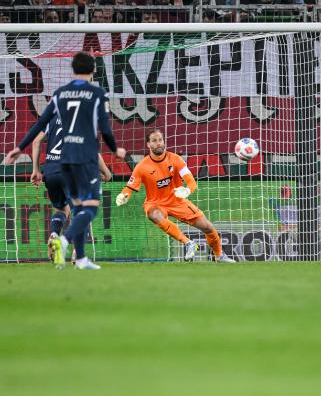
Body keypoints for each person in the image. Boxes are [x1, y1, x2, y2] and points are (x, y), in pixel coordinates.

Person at [5, 52, 126, 270]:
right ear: (94, 70)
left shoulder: (60, 94)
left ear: (72, 69)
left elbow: (40, 123)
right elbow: (105, 130)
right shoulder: (96, 93)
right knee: (89, 209)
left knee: (75, 208)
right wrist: (116, 149)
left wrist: (18, 147)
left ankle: (80, 259)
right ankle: (64, 240)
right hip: (83, 161)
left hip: (61, 163)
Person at [115, 129, 235, 263]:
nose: (158, 143)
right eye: (154, 141)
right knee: (153, 214)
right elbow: (130, 187)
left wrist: (187, 190)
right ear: (148, 145)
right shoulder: (142, 166)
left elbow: (191, 182)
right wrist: (124, 195)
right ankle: (188, 243)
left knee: (207, 227)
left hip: (177, 201)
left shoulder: (176, 159)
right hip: (156, 203)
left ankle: (219, 255)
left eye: (160, 140)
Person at [30, 116, 112, 262]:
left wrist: (36, 170)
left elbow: (36, 142)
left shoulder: (52, 119)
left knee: (62, 209)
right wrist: (106, 171)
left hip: (50, 173)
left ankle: (54, 234)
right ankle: (77, 253)